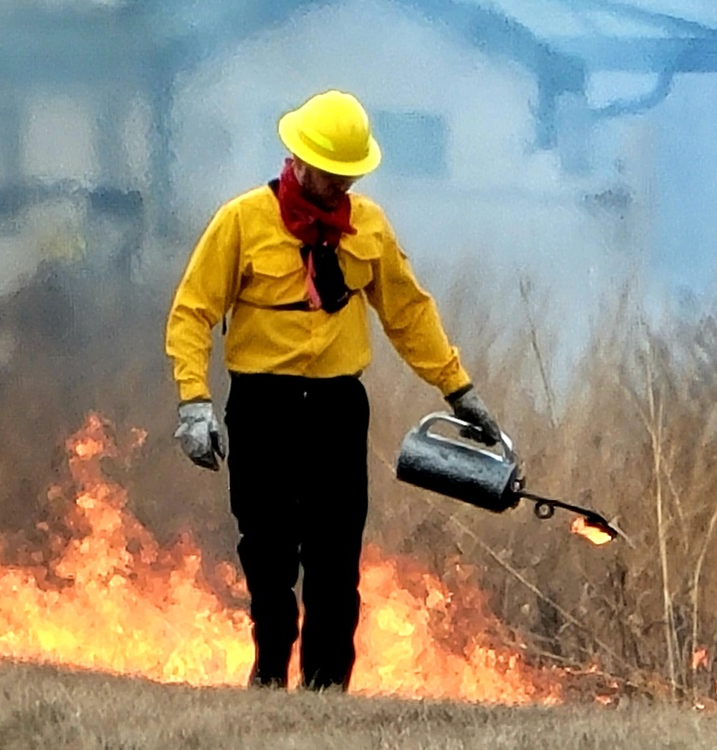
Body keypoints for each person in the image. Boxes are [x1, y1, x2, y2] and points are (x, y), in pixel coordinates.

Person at [165, 89, 502, 691]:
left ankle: (327, 689)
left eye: (351, 175)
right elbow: (192, 312)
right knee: (267, 547)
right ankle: (270, 668)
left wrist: (458, 389)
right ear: (296, 160)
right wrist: (194, 402)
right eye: (331, 173)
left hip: (337, 409)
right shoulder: (242, 222)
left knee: (336, 552)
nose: (341, 187)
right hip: (262, 405)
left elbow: (408, 313)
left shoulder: (367, 227)